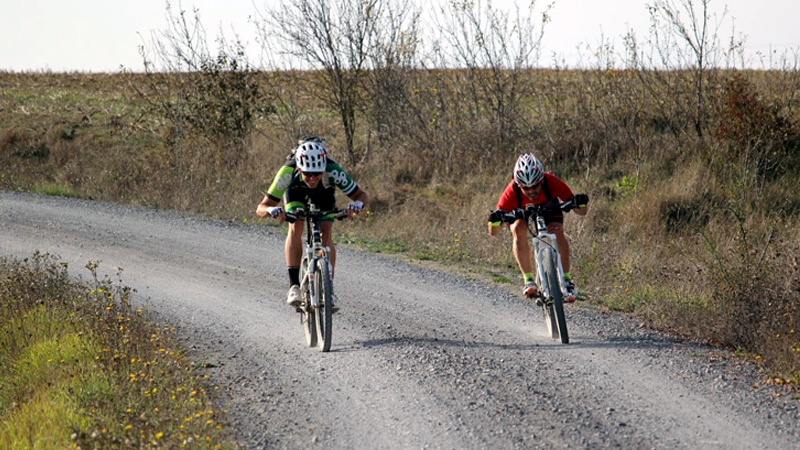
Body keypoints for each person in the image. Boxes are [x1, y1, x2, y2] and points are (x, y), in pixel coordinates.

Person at [256, 136, 370, 310]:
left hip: (324, 195)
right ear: (299, 168)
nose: (312, 178)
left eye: (317, 173)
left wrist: (357, 205)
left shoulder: (332, 170)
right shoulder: (287, 171)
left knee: (326, 234)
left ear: (323, 168)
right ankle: (294, 286)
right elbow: (261, 207)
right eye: (307, 173)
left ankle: (328, 289)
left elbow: (362, 196)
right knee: (296, 226)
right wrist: (271, 210)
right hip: (296, 193)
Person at [487, 153, 589, 302]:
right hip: (522, 212)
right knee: (517, 229)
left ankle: (566, 280)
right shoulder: (512, 191)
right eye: (525, 188)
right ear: (518, 184)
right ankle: (528, 280)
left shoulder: (551, 181)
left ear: (541, 180)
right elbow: (493, 232)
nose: (531, 191)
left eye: (535, 186)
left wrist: (580, 202)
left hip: (548, 208)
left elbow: (581, 212)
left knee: (557, 230)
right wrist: (495, 220)